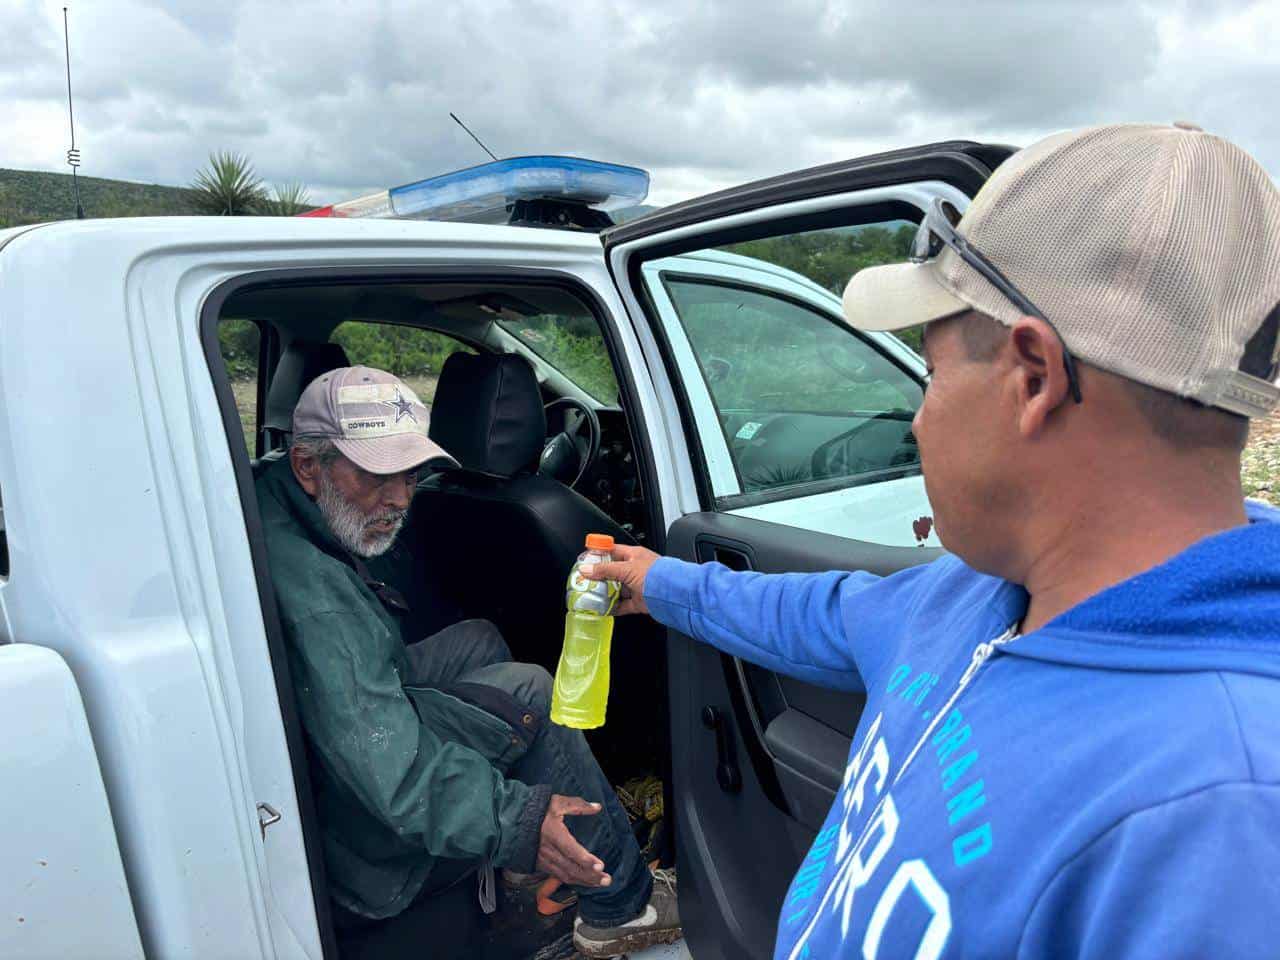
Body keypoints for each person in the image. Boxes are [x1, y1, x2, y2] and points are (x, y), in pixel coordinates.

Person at [583, 123, 1280, 959]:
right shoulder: (981, 590)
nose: (916, 417)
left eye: (933, 370)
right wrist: (659, 582)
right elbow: (826, 613)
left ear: (1033, 378)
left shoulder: (1223, 820)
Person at [253, 365, 679, 958]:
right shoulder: (319, 605)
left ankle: (517, 864)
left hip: (343, 710)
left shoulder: (268, 487)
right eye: (378, 474)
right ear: (307, 465)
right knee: (530, 691)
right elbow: (393, 776)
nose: (402, 496)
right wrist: (517, 823)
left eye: (410, 472)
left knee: (478, 638)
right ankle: (622, 905)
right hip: (359, 842)